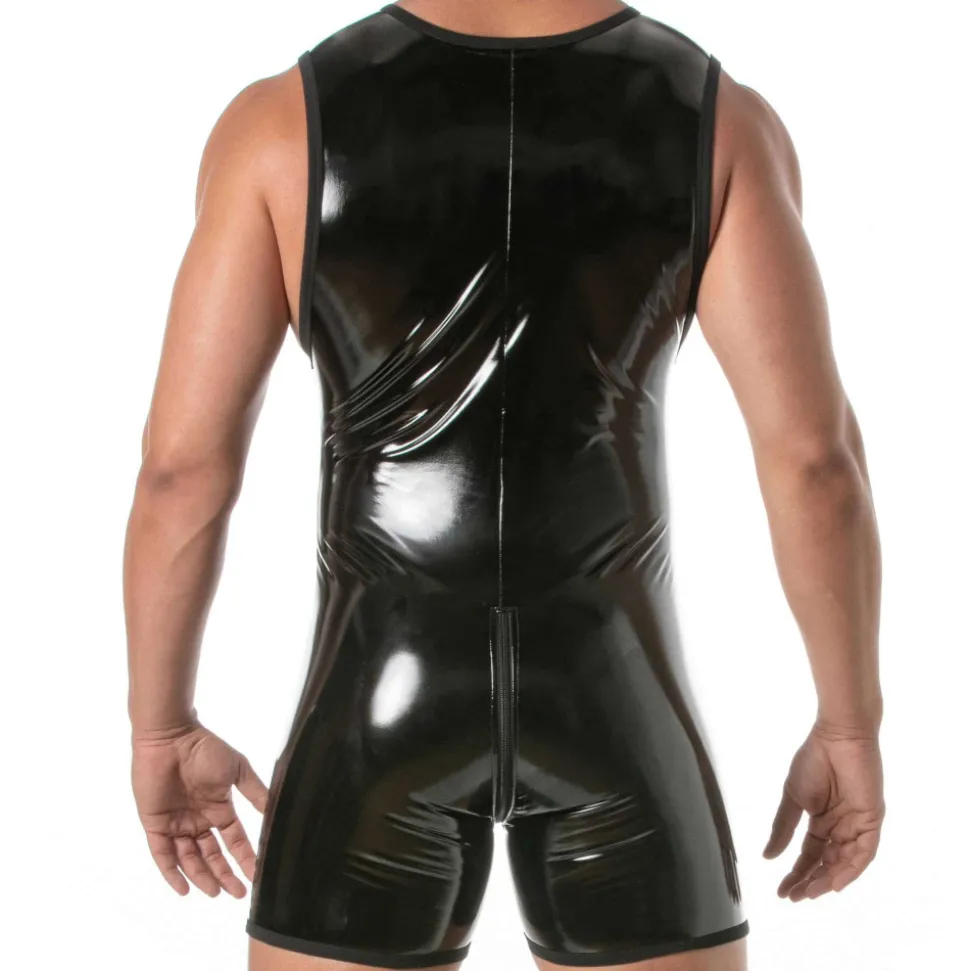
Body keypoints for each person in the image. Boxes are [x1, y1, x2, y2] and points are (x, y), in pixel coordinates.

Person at [123, 2, 885, 969]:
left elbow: (181, 473)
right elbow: (816, 463)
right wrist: (850, 723)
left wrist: (161, 725)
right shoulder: (717, 118)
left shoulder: (281, 123)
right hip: (615, 698)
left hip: (378, 700)